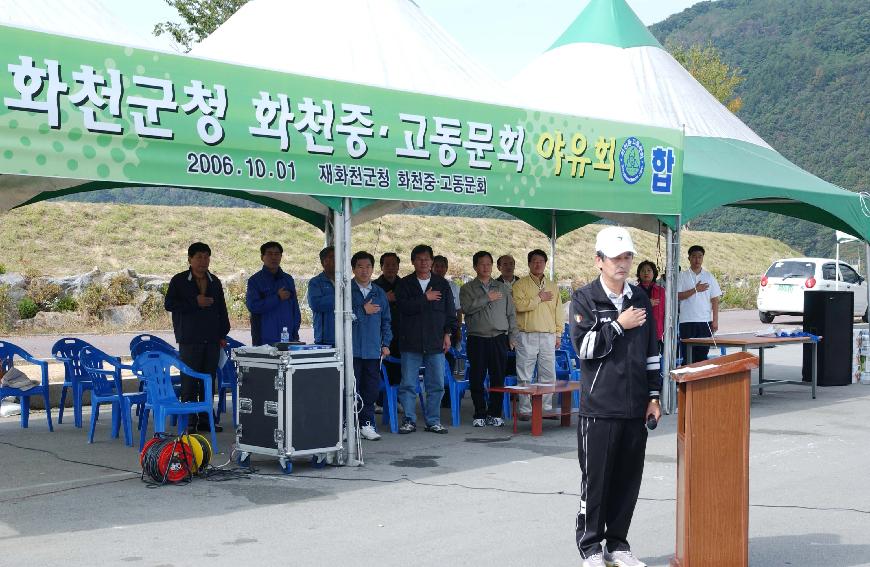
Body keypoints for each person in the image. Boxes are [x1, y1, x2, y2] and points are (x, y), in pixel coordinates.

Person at [570, 226, 661, 567]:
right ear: (599, 261)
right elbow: (584, 348)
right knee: (596, 481)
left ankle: (618, 544)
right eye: (615, 258)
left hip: (635, 406)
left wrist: (653, 396)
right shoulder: (584, 299)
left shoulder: (639, 298)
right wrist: (619, 325)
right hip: (599, 408)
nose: (622, 264)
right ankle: (591, 547)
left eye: (627, 257)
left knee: (627, 480)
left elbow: (652, 350)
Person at [164, 242, 230, 433]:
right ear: (190, 260)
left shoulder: (214, 281)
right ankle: (190, 422)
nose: (203, 261)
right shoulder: (179, 280)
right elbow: (169, 304)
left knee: (208, 380)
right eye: (199, 257)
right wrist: (195, 302)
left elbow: (221, 309)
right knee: (189, 381)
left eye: (206, 257)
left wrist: (222, 333)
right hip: (189, 339)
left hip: (211, 340)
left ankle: (206, 419)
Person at [395, 244, 457, 434]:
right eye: (419, 259)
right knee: (408, 384)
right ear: (413, 262)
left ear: (432, 261)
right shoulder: (404, 284)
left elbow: (449, 313)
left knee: (436, 384)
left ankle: (433, 421)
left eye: (427, 259)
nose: (424, 262)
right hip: (410, 342)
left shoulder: (442, 284)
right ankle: (409, 420)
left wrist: (448, 334)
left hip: (435, 342)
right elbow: (403, 308)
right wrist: (425, 298)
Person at [459, 251, 517, 427]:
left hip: (499, 337)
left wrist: (512, 336)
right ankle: (479, 413)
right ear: (475, 266)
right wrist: (486, 298)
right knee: (477, 376)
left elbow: (511, 314)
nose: (486, 267)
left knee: (497, 376)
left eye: (488, 264)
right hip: (477, 338)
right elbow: (467, 309)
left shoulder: (503, 288)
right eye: (482, 264)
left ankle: (495, 413)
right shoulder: (467, 288)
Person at [512, 249, 564, 416]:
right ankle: (525, 410)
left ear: (545, 264)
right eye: (534, 261)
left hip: (548, 336)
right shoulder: (520, 285)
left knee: (548, 374)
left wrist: (558, 334)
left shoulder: (553, 286)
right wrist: (539, 298)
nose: (538, 264)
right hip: (526, 334)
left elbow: (558, 312)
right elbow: (518, 306)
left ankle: (546, 409)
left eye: (541, 261)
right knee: (525, 373)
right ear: (528, 264)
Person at [350, 251, 392, 441]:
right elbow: (341, 317)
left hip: (373, 351)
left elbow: (386, 321)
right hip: (352, 349)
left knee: (370, 389)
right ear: (353, 269)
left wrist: (386, 343)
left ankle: (366, 424)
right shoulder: (345, 290)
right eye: (360, 266)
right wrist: (361, 310)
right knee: (351, 389)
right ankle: (348, 424)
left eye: (368, 267)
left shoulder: (379, 292)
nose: (365, 270)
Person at [245, 241, 301, 346]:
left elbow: (295, 309)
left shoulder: (288, 279)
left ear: (281, 256)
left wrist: (295, 333)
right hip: (263, 339)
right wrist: (277, 298)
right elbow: (253, 306)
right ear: (262, 257)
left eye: (277, 254)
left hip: (287, 337)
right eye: (270, 254)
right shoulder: (255, 280)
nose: (274, 257)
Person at [677, 245, 721, 363]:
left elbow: (715, 299)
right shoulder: (682, 276)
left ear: (703, 258)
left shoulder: (709, 276)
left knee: (702, 356)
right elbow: (677, 296)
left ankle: (700, 381)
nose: (697, 260)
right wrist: (695, 289)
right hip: (686, 321)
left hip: (704, 321)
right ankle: (686, 382)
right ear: (689, 258)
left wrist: (715, 320)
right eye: (694, 257)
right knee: (687, 356)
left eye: (700, 257)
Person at [432, 254, 462, 408]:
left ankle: (448, 397)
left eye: (443, 266)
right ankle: (436, 395)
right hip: (433, 331)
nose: (440, 268)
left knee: (450, 361)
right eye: (437, 265)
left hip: (450, 329)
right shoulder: (427, 285)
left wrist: (457, 330)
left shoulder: (453, 286)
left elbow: (458, 311)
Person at [374, 252, 402, 387]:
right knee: (381, 369)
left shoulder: (405, 285)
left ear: (398, 267)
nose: (391, 267)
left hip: (401, 335)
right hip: (380, 335)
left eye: (394, 265)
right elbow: (367, 307)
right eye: (387, 265)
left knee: (399, 369)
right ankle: (380, 402)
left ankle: (397, 401)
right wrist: (384, 298)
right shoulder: (374, 286)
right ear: (381, 267)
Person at [308, 246, 336, 346]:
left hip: (347, 337)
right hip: (325, 339)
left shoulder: (345, 282)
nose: (336, 259)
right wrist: (340, 297)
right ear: (324, 262)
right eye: (332, 257)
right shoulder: (315, 282)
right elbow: (316, 304)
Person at [636, 260, 665, 351]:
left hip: (657, 332)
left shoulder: (661, 291)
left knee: (655, 362)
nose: (646, 273)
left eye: (649, 270)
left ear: (654, 273)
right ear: (639, 274)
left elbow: (665, 312)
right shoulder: (634, 291)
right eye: (643, 270)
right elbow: (631, 309)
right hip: (639, 332)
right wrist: (648, 304)